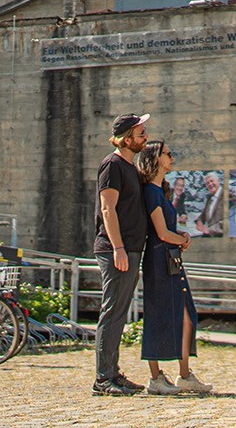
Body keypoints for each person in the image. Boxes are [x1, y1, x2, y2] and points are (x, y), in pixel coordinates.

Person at [134, 139, 213, 395]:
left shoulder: (162, 190)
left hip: (171, 258)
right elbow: (161, 232)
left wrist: (180, 236)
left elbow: (169, 230)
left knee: (187, 314)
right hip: (159, 260)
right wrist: (183, 239)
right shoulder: (151, 192)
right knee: (158, 315)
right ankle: (156, 376)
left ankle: (185, 374)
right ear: (156, 158)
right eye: (167, 154)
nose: (172, 157)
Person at [92, 111, 151, 396]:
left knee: (118, 314)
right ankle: (103, 379)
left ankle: (113, 373)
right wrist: (118, 248)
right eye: (141, 134)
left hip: (130, 248)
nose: (146, 138)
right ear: (127, 139)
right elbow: (108, 209)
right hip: (116, 249)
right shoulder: (112, 165)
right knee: (112, 312)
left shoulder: (130, 167)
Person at [194, 171, 225, 236]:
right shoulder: (209, 197)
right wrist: (199, 221)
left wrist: (210, 230)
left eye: (212, 181)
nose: (210, 184)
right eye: (207, 183)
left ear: (218, 181)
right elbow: (203, 214)